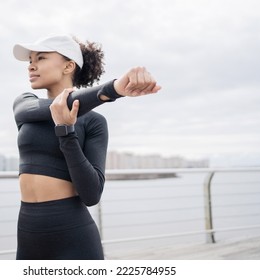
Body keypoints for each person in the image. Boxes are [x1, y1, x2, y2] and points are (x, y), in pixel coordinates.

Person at [12, 34, 161, 260]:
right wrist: (113, 89)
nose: (31, 66)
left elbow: (91, 194)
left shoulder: (94, 122)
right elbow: (55, 106)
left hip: (73, 235)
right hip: (28, 233)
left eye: (40, 58)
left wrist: (66, 132)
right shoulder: (25, 105)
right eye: (30, 60)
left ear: (68, 66)